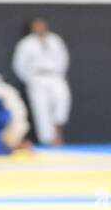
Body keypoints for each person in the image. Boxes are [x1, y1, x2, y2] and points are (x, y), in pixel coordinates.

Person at [12, 18, 71, 146]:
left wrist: (59, 73)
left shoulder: (55, 40)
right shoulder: (26, 43)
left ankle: (57, 130)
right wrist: (29, 79)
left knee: (62, 99)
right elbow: (19, 64)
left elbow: (63, 58)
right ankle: (47, 139)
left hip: (55, 76)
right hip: (37, 78)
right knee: (41, 109)